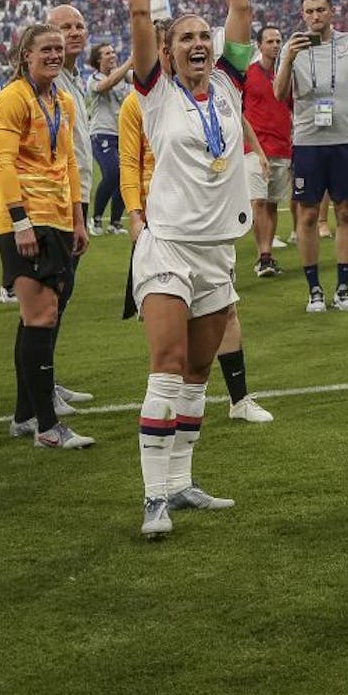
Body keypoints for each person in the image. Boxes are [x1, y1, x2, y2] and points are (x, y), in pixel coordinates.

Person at [126, 0, 254, 536]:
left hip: (217, 253)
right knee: (168, 365)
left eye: (205, 36)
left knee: (200, 372)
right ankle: (153, 498)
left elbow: (242, 7)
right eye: (188, 38)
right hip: (168, 246)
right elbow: (139, 11)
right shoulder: (155, 97)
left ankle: (180, 484)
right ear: (170, 52)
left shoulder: (230, 87)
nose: (200, 42)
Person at [120, 59, 274, 426]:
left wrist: (255, 148)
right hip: (164, 225)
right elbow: (129, 159)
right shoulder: (141, 101)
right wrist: (134, 211)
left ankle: (239, 398)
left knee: (226, 312)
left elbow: (234, 122)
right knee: (170, 341)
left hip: (207, 222)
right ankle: (165, 409)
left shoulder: (212, 94)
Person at [0, 23, 94, 448]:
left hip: (57, 219)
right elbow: (3, 164)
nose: (54, 55)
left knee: (37, 319)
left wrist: (78, 219)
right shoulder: (12, 98)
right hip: (25, 222)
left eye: (57, 49)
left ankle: (23, 418)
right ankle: (49, 429)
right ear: (25, 55)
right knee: (41, 318)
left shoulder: (63, 101)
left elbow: (69, 163)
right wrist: (20, 222)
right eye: (45, 49)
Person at [274, 0, 348, 313]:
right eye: (308, 11)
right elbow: (279, 94)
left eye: (320, 10)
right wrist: (288, 58)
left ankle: (343, 289)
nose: (315, 16)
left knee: (346, 213)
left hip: (347, 141)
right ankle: (314, 289)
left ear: (332, 11)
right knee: (306, 216)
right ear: (302, 14)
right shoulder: (292, 48)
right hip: (308, 142)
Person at [45, 3, 95, 410]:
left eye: (79, 25)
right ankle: (39, 389)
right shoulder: (49, 78)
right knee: (49, 298)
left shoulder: (75, 77)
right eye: (66, 27)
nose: (75, 32)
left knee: (60, 297)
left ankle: (47, 378)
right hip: (58, 200)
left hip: (77, 196)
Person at [243, 24, 293, 277]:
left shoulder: (287, 75)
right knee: (258, 201)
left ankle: (267, 255)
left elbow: (294, 108)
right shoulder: (248, 74)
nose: (275, 45)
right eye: (270, 41)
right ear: (260, 45)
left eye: (278, 41)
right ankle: (263, 255)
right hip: (254, 148)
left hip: (282, 147)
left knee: (272, 204)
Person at [88, 42, 132, 235]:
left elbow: (142, 75)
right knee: (113, 172)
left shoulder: (124, 76)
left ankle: (115, 223)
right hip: (101, 133)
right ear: (98, 60)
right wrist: (130, 61)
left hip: (122, 135)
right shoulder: (93, 79)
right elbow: (108, 83)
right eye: (107, 53)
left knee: (125, 176)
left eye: (113, 51)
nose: (112, 55)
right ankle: (96, 220)